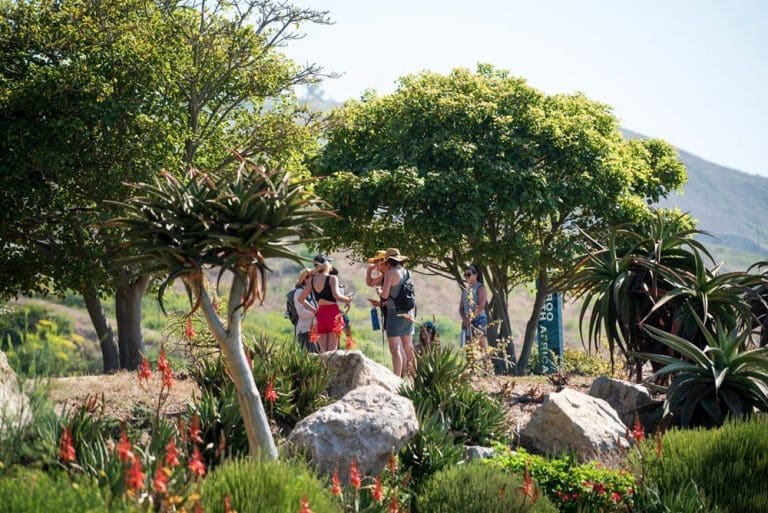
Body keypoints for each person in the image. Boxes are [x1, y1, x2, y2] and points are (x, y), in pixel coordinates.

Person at [298, 254, 354, 352]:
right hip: (333, 314)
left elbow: (301, 299)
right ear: (327, 264)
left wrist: (314, 310)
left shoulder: (312, 280)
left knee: (323, 352)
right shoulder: (332, 278)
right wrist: (347, 299)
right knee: (332, 350)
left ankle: (323, 368)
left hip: (320, 315)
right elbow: (337, 296)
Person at [377, 248, 415, 377]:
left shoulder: (390, 273)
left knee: (395, 348)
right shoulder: (407, 272)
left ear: (389, 261)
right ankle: (414, 376)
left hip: (394, 312)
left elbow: (385, 295)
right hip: (409, 312)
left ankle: (397, 378)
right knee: (408, 346)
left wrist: (379, 291)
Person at [459, 264, 488, 353]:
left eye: (469, 274)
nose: (467, 277)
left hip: (479, 320)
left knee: (482, 348)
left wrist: (471, 317)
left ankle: (487, 366)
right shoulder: (465, 290)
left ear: (476, 275)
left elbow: (481, 305)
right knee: (469, 349)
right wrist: (465, 319)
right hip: (467, 322)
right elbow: (461, 308)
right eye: (465, 275)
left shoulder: (480, 288)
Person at [293, 268, 319, 353]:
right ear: (305, 279)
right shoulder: (299, 292)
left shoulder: (311, 293)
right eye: (312, 276)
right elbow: (301, 312)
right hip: (304, 330)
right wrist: (315, 313)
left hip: (313, 330)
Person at [365, 249, 388, 332]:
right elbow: (370, 283)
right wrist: (369, 271)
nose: (375, 265)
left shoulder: (388, 275)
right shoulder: (384, 275)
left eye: (377, 262)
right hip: (387, 310)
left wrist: (380, 302)